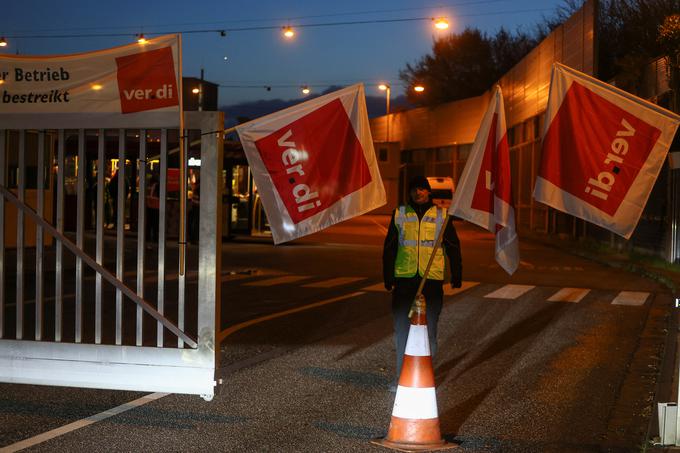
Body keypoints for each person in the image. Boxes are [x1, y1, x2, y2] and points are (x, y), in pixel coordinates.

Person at [382, 175, 462, 384]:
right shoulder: (399, 214)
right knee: (402, 329)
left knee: (429, 330)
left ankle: (425, 378)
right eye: (414, 189)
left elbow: (453, 247)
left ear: (429, 192)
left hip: (431, 282)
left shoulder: (442, 215)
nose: (418, 192)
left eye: (422, 189)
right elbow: (390, 247)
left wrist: (457, 274)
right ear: (409, 192)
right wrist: (388, 275)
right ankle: (402, 377)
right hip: (404, 281)